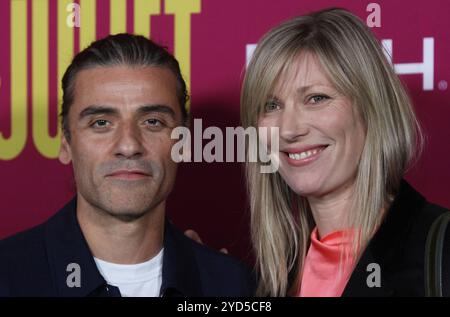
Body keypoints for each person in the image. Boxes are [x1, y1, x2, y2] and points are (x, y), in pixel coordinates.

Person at [0, 34, 254, 297]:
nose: (129, 145)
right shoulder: (7, 277)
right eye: (101, 123)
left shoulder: (237, 287)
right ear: (66, 144)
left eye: (153, 122)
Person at [240, 8, 450, 296]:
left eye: (316, 98)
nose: (288, 129)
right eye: (271, 106)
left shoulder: (437, 251)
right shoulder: (271, 279)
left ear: (371, 108)